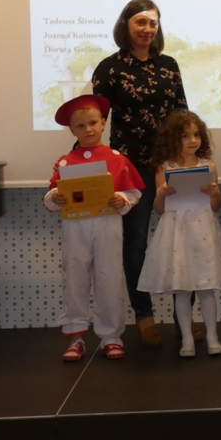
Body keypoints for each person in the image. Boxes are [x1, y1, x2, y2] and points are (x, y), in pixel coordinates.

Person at [92, 0, 189, 347]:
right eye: (141, 23)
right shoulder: (109, 68)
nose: (148, 29)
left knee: (183, 240)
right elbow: (95, 122)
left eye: (153, 23)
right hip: (130, 171)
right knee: (135, 243)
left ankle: (184, 316)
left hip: (172, 166)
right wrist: (78, 160)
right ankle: (144, 315)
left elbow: (182, 114)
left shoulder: (169, 65)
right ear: (126, 25)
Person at [43, 94, 145, 362]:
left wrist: (121, 199)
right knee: (75, 277)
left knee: (109, 278)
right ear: (72, 130)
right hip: (75, 229)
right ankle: (76, 337)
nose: (88, 129)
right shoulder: (66, 162)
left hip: (107, 226)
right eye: (81, 126)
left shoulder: (117, 159)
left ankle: (111, 336)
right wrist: (55, 196)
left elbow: (133, 192)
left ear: (102, 123)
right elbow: (53, 191)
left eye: (92, 123)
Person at [137, 110, 221, 358]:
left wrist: (214, 193)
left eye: (196, 135)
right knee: (181, 288)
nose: (192, 140)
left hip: (202, 229)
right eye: (185, 135)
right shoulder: (165, 167)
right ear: (173, 138)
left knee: (206, 287)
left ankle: (212, 337)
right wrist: (161, 194)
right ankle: (187, 339)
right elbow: (159, 209)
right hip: (176, 232)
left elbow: (215, 206)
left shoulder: (208, 166)